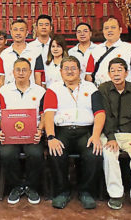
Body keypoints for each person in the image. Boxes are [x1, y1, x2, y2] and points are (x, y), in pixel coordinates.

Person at [43, 56, 105, 209]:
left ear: (80, 71)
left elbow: (100, 113)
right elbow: (48, 115)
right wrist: (51, 137)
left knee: (94, 154)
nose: (70, 71)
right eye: (66, 68)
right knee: (55, 153)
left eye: (73, 68)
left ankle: (86, 192)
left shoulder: (91, 87)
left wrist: (96, 136)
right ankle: (62, 191)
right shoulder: (53, 89)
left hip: (85, 132)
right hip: (62, 131)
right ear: (60, 71)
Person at [98, 58, 131, 213]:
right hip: (110, 133)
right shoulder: (103, 89)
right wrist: (111, 137)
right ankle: (115, 194)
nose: (116, 73)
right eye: (112, 70)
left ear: (126, 73)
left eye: (119, 70)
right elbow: (104, 115)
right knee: (108, 153)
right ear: (108, 73)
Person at [0, 58, 45, 204]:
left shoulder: (40, 91)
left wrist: (40, 130)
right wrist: (2, 130)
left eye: (25, 70)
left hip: (32, 134)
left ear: (31, 72)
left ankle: (31, 186)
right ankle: (17, 186)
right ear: (12, 72)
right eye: (18, 70)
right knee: (7, 153)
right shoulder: (4, 91)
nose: (21, 73)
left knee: (36, 154)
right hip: (10, 134)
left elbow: (44, 114)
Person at [86, 17, 131, 88]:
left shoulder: (129, 49)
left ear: (120, 30)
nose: (109, 30)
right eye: (106, 28)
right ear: (103, 31)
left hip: (124, 94)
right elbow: (89, 75)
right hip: (101, 93)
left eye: (113, 27)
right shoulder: (95, 50)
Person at [0, 19, 39, 88]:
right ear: (11, 32)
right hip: (10, 93)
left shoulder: (35, 52)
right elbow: (1, 80)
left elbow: (38, 79)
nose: (18, 33)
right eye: (15, 30)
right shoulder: (4, 54)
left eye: (21, 30)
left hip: (30, 93)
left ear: (27, 33)